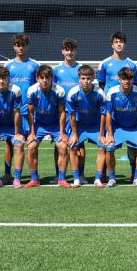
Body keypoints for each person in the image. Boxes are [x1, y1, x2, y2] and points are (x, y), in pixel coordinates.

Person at [97, 31, 137, 175]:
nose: (119, 44)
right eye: (116, 42)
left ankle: (134, 171)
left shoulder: (132, 64)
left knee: (133, 145)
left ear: (125, 44)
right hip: (111, 106)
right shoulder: (104, 63)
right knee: (107, 141)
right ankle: (104, 173)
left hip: (127, 107)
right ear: (112, 44)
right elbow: (102, 84)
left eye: (121, 42)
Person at [104, 67, 137, 187]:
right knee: (108, 148)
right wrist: (109, 134)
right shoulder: (112, 92)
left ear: (133, 79)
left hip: (133, 127)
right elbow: (108, 114)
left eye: (129, 78)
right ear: (119, 79)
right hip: (117, 127)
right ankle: (112, 178)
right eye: (124, 78)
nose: (127, 81)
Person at [25, 65, 69, 188]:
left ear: (52, 78)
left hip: (55, 125)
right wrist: (32, 133)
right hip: (39, 125)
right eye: (42, 77)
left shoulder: (59, 90)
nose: (45, 80)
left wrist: (62, 132)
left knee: (62, 146)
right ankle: (34, 178)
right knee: (31, 146)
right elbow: (30, 113)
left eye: (47, 77)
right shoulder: (32, 90)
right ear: (37, 78)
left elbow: (62, 112)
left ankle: (61, 178)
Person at [65, 65, 108, 188]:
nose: (86, 81)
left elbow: (103, 115)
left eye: (88, 78)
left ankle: (98, 178)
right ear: (79, 79)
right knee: (72, 146)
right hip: (80, 126)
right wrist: (74, 134)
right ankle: (76, 179)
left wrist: (101, 135)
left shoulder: (100, 93)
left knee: (102, 147)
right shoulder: (72, 93)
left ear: (93, 78)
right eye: (83, 78)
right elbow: (72, 115)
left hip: (95, 126)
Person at [3, 34, 39, 182]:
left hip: (29, 111)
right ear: (14, 47)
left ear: (27, 46)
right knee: (10, 142)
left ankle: (33, 175)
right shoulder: (8, 66)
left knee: (31, 143)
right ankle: (7, 173)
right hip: (13, 111)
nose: (20, 47)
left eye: (23, 45)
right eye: (18, 45)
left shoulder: (34, 65)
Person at [53, 38, 82, 181]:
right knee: (60, 142)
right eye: (67, 49)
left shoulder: (80, 69)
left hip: (77, 112)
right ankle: (58, 173)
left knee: (79, 143)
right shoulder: (56, 70)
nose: (69, 52)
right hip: (61, 112)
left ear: (75, 51)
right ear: (62, 51)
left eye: (72, 49)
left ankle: (80, 174)